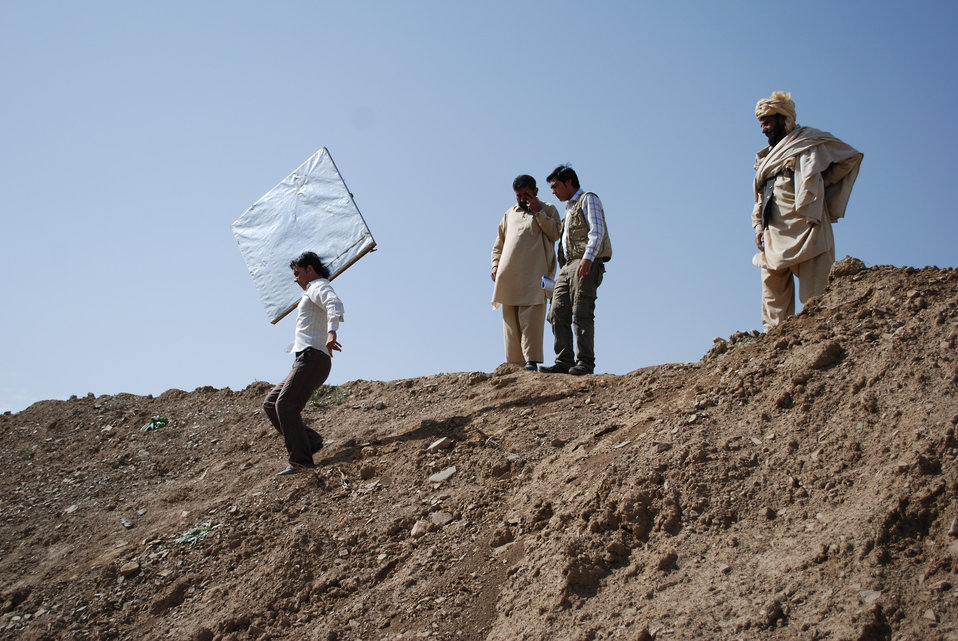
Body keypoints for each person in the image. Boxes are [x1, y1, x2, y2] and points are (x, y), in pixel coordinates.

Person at [752, 91, 863, 329]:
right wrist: (758, 226)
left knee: (816, 294)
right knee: (773, 291)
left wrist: (823, 183)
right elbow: (761, 195)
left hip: (806, 226)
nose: (764, 129)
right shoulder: (766, 159)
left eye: (768, 122)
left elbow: (849, 158)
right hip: (774, 230)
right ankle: (774, 341)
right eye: (761, 124)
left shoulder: (808, 141)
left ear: (783, 119)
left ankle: (817, 334)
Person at [263, 251, 344, 476]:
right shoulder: (310, 292)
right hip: (305, 359)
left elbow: (333, 303)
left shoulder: (318, 286)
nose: (295, 278)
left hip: (313, 358)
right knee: (271, 404)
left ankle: (301, 461)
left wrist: (331, 333)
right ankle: (310, 441)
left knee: (286, 405)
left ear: (310, 269)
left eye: (297, 273)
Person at [539, 165, 612, 375]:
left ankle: (585, 362)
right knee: (557, 311)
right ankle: (563, 361)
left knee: (582, 311)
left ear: (569, 182)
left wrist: (588, 258)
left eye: (556, 186)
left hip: (584, 261)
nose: (553, 191)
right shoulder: (569, 208)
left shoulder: (588, 199)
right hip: (568, 265)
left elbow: (596, 231)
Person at [491, 175, 562, 371]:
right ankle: (514, 364)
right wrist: (495, 265)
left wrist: (539, 213)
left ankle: (531, 360)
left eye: (527, 194)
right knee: (510, 322)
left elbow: (555, 233)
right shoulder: (509, 214)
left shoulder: (548, 209)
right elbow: (498, 245)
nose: (523, 199)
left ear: (536, 192)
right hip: (509, 277)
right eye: (519, 195)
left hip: (535, 275)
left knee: (531, 318)